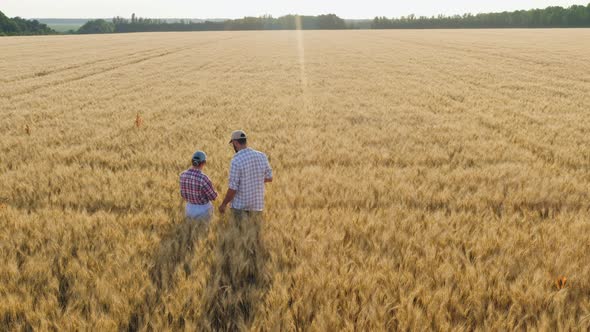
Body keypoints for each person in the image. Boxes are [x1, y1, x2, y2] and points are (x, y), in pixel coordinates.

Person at [219, 130, 272, 219]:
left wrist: (224, 204)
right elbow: (269, 178)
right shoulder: (262, 156)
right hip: (257, 206)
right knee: (254, 232)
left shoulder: (236, 160)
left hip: (240, 208)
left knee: (239, 231)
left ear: (235, 143)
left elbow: (233, 188)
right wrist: (255, 179)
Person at [180, 150, 218, 221]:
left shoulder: (183, 175)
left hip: (189, 209)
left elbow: (183, 194)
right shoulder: (203, 178)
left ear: (192, 161)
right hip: (203, 211)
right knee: (203, 230)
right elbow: (213, 197)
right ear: (204, 163)